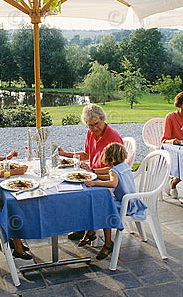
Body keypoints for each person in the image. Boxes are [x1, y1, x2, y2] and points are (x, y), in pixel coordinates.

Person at [58, 103, 123, 241]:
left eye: (96, 124)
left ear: (103, 119)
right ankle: (84, 228)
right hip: (93, 175)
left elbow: (115, 168)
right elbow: (87, 154)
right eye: (90, 125)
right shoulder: (91, 133)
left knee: (88, 193)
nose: (94, 128)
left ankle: (95, 233)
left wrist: (93, 170)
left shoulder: (113, 138)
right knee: (71, 190)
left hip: (108, 178)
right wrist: (66, 154)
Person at [84, 142, 147, 260]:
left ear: (108, 157)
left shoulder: (114, 171)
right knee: (101, 204)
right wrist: (95, 175)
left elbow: (113, 182)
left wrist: (94, 182)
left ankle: (108, 243)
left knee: (104, 208)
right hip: (133, 202)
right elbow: (111, 178)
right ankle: (91, 232)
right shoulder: (125, 166)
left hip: (124, 205)